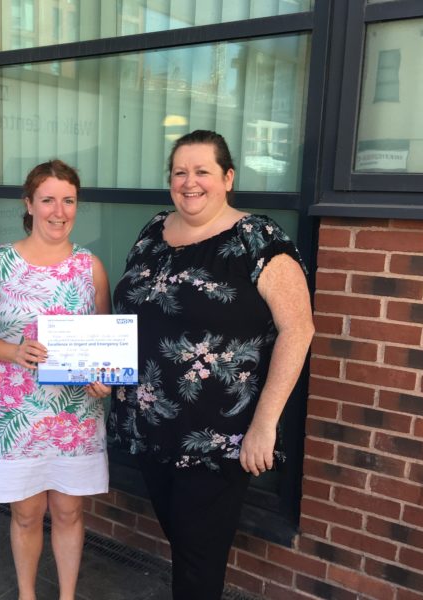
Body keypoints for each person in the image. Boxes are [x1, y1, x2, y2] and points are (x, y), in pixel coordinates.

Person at [109, 130, 314, 599]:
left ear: (227, 177)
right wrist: (103, 371)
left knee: (199, 560)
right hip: (149, 426)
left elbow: (298, 330)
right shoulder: (152, 232)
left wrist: (265, 424)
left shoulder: (258, 239)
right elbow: (133, 318)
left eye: (202, 171)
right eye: (180, 171)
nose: (190, 182)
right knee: (182, 542)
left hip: (219, 435)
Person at [0, 159, 111, 600]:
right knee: (26, 513)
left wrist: (103, 377)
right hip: (17, 412)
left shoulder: (90, 267)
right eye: (48, 200)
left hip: (76, 414)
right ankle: (27, 595)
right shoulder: (0, 263)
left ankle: (66, 596)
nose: (58, 211)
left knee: (68, 511)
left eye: (68, 201)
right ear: (29, 204)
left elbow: (103, 341)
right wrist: (13, 351)